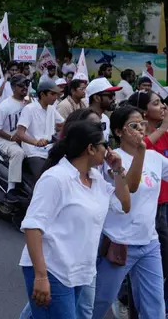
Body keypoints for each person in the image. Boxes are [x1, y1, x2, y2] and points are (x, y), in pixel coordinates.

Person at [19, 120, 134, 319]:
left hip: (80, 272)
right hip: (53, 269)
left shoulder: (96, 180)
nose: (109, 151)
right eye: (105, 145)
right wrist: (41, 276)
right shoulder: (56, 179)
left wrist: (117, 170)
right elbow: (32, 227)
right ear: (90, 148)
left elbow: (125, 204)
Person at [91, 105, 165, 318]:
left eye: (142, 124)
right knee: (99, 301)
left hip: (149, 242)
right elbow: (130, 187)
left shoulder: (155, 158)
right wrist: (140, 151)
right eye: (133, 125)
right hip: (119, 242)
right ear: (118, 132)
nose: (140, 129)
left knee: (155, 307)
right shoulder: (112, 160)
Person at [128, 90, 168, 311]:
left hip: (162, 206)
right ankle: (128, 300)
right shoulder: (138, 142)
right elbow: (143, 147)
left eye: (162, 102)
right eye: (156, 103)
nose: (162, 106)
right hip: (145, 212)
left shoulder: (163, 134)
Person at [0, 74, 28, 199]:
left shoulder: (29, 102)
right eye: (21, 85)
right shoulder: (5, 106)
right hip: (5, 141)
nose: (25, 87)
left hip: (24, 139)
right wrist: (10, 138)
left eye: (26, 84)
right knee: (18, 153)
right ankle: (11, 189)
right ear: (13, 87)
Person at [15, 81, 64, 180]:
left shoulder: (52, 109)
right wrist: (36, 142)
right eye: (52, 94)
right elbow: (20, 133)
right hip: (34, 153)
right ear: (42, 94)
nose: (55, 97)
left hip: (50, 150)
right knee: (43, 178)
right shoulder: (29, 109)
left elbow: (63, 124)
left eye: (56, 94)